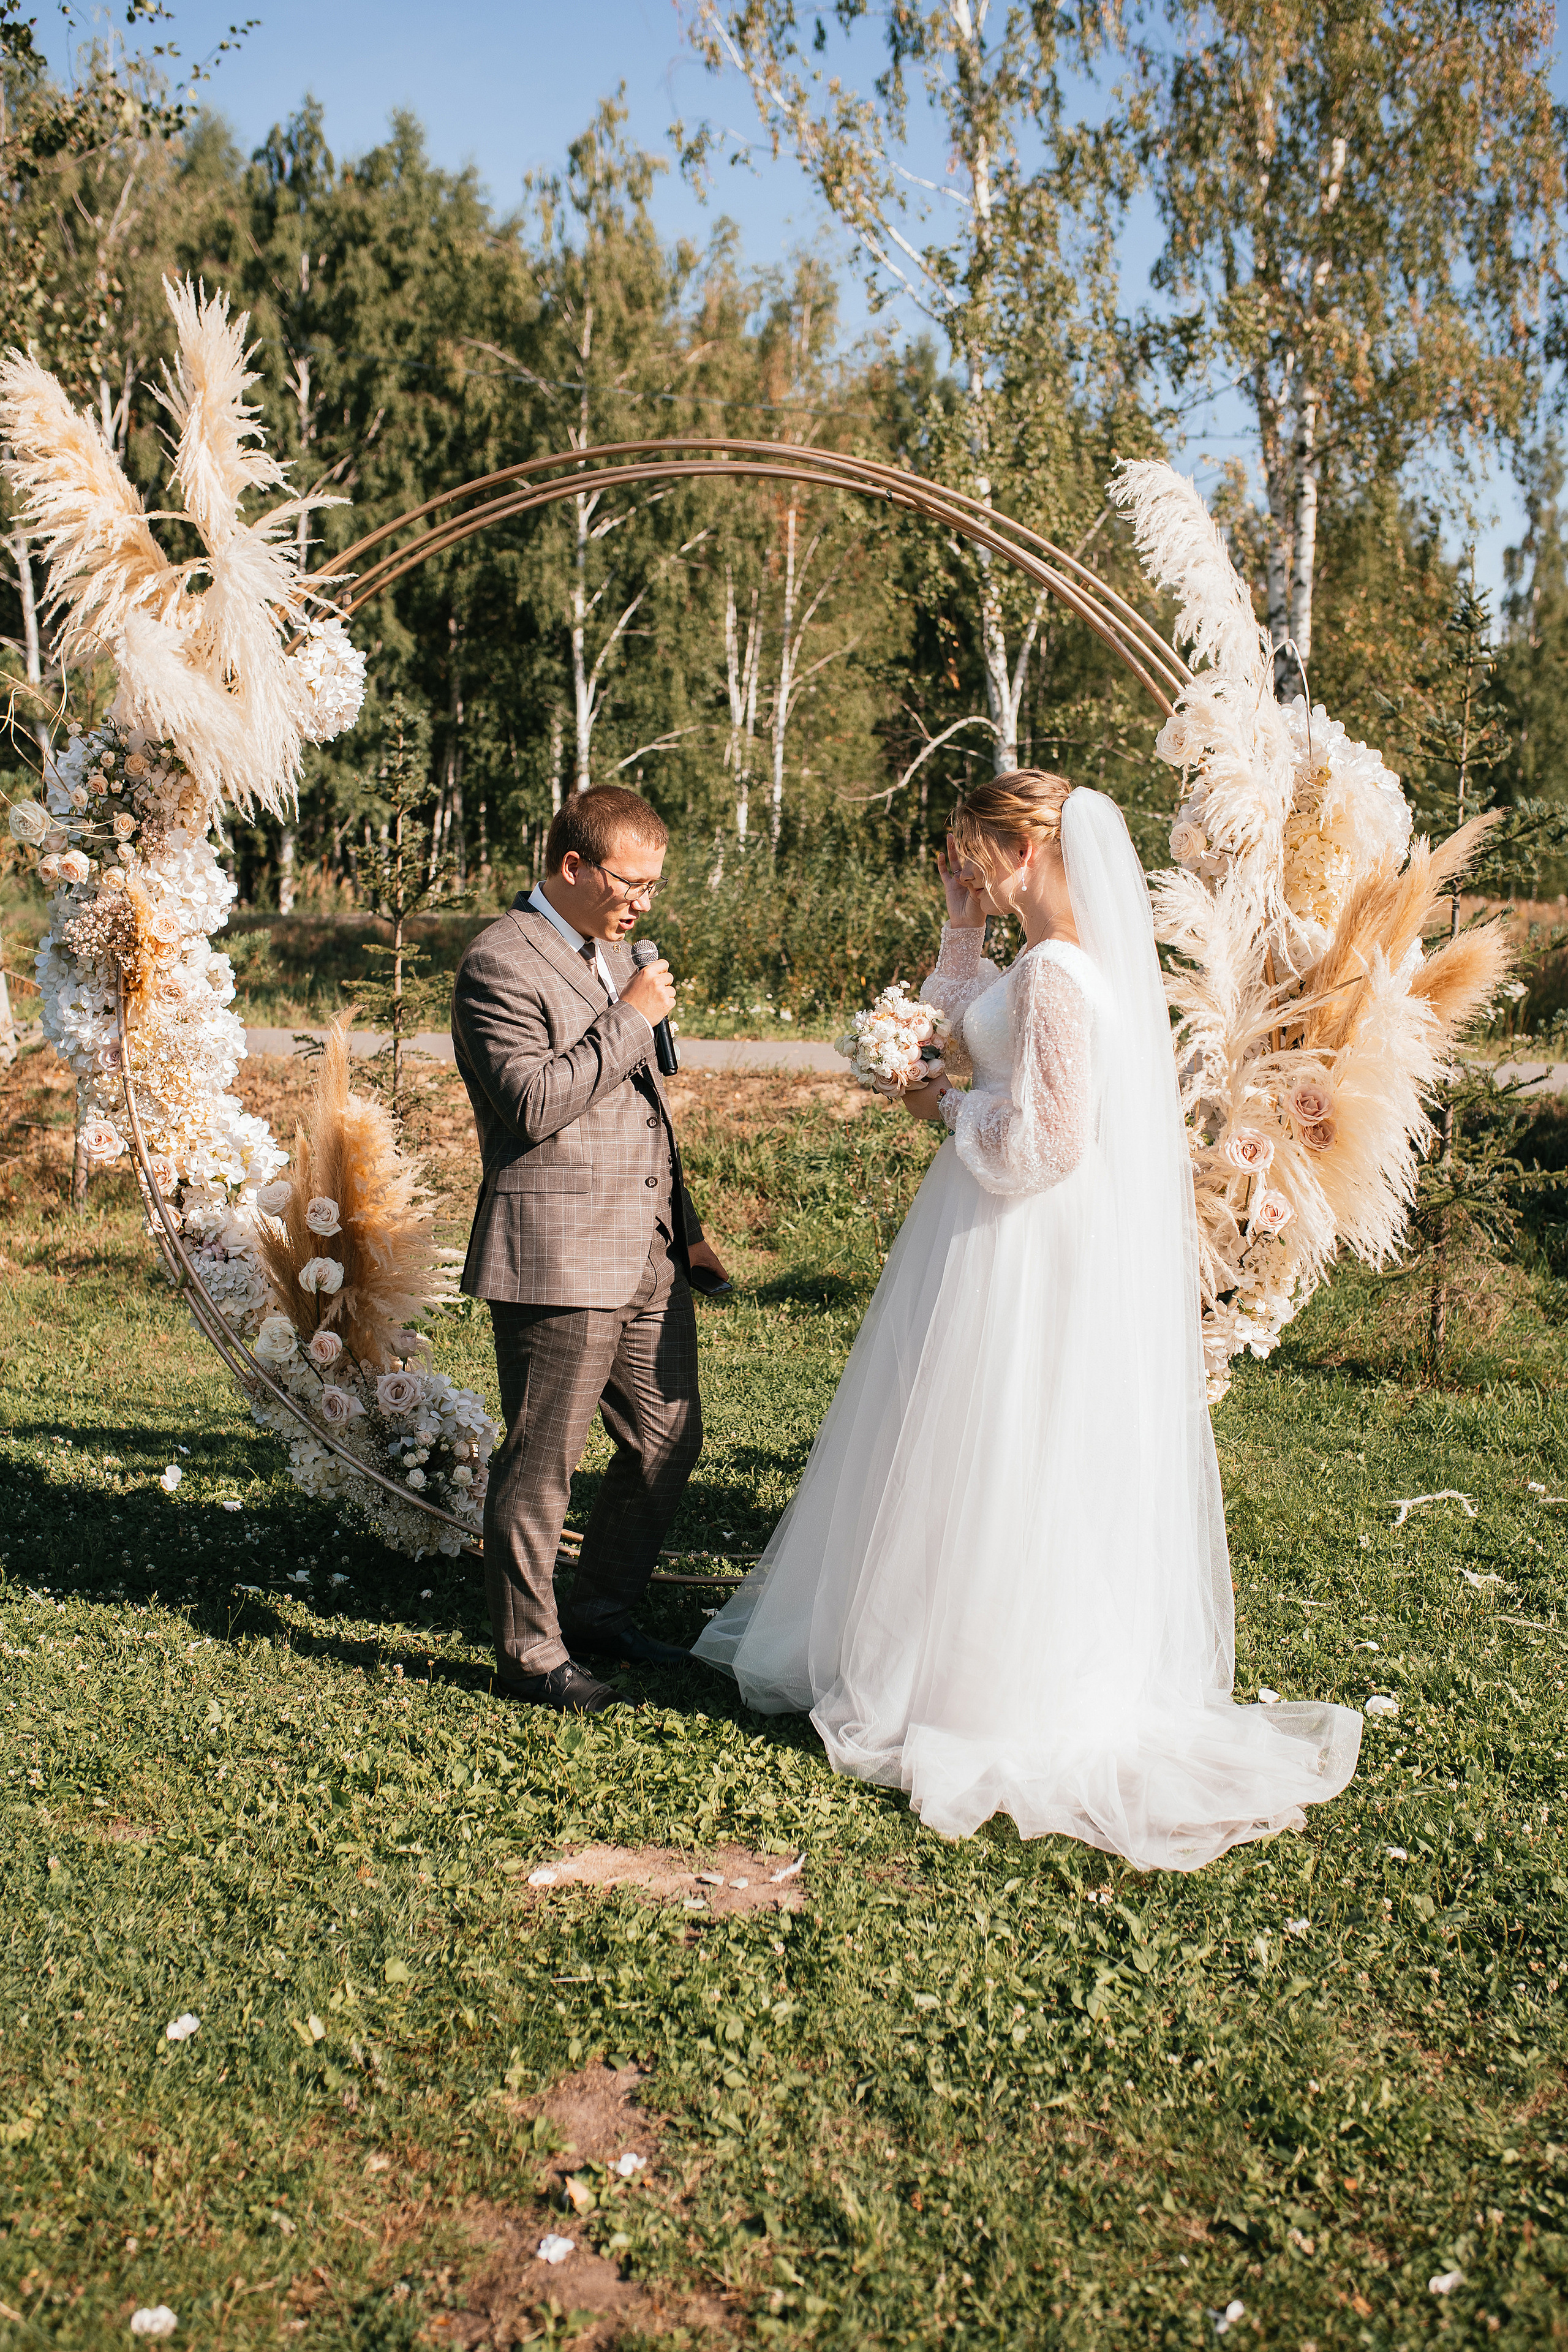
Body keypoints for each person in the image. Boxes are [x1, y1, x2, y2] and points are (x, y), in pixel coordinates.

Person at [693, 774, 1362, 1869]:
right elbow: (967, 1019)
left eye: (974, 855)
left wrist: (939, 1106)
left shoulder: (1058, 973)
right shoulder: (1055, 963)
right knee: (981, 1438)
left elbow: (1045, 1142)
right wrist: (957, 934)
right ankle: (957, 1655)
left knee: (999, 1435)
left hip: (1019, 1230)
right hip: (1007, 1223)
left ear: (1024, 847)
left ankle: (986, 1683)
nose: (970, 873)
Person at [452, 785, 729, 1712]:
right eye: (630, 883)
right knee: (543, 1463)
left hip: (648, 1247)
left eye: (654, 886)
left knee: (666, 1437)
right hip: (560, 1249)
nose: (642, 904)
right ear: (573, 866)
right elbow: (530, 1102)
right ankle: (529, 1657)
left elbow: (641, 1109)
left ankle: (601, 1613)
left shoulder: (615, 956)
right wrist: (632, 1016)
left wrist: (686, 1231)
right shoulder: (500, 961)